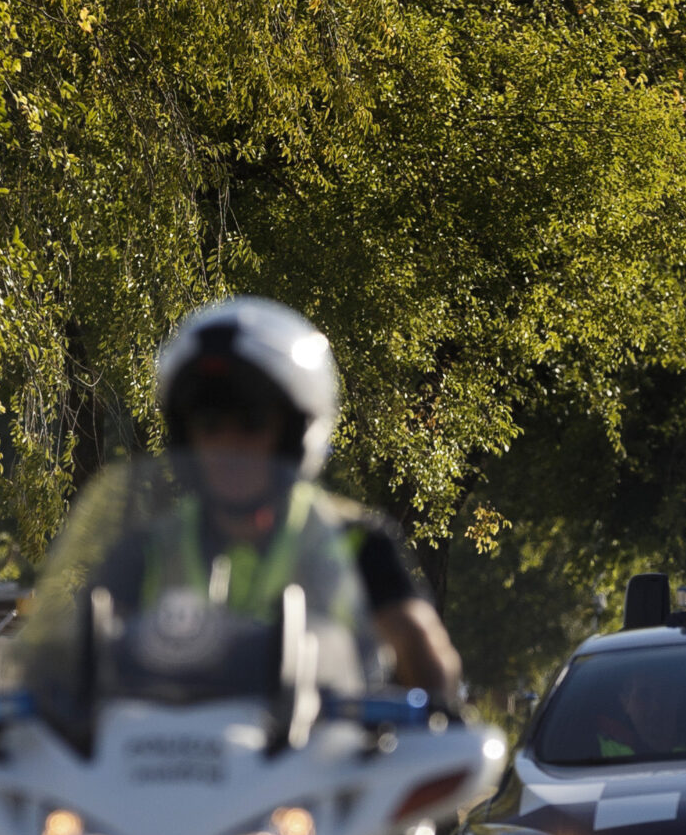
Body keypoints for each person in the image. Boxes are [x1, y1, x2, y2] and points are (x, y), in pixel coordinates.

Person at [152, 297, 463, 704]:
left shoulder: (354, 542)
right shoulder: (149, 547)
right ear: (184, 436)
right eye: (209, 425)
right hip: (175, 761)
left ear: (293, 434)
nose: (228, 444)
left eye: (252, 423)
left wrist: (439, 718)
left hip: (327, 760)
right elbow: (70, 658)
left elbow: (424, 655)